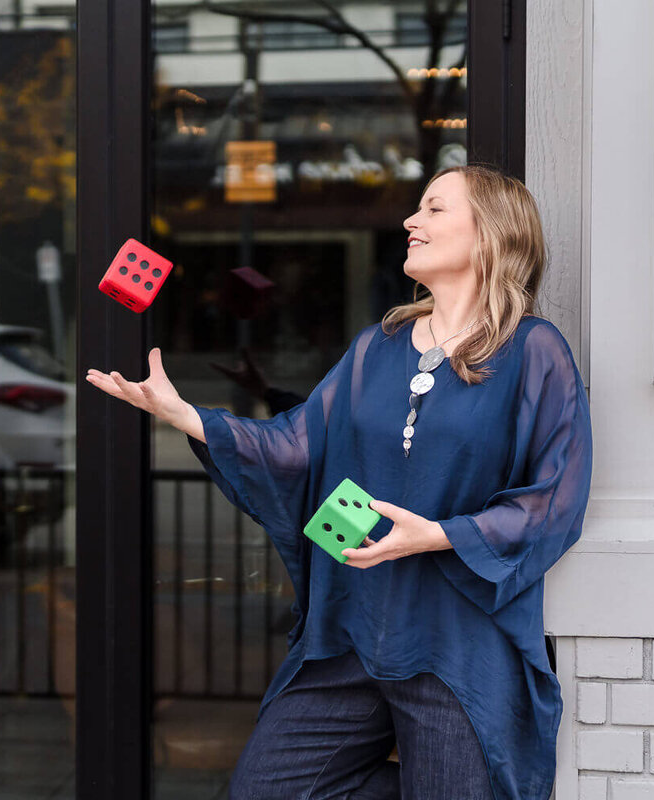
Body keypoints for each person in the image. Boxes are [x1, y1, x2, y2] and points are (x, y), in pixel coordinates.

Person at [86, 164, 593, 800]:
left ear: (493, 233)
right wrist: (186, 415)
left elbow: (556, 498)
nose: (412, 221)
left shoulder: (533, 352)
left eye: (435, 209)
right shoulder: (377, 347)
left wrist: (439, 534)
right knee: (267, 790)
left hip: (455, 648)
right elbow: (298, 448)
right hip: (353, 632)